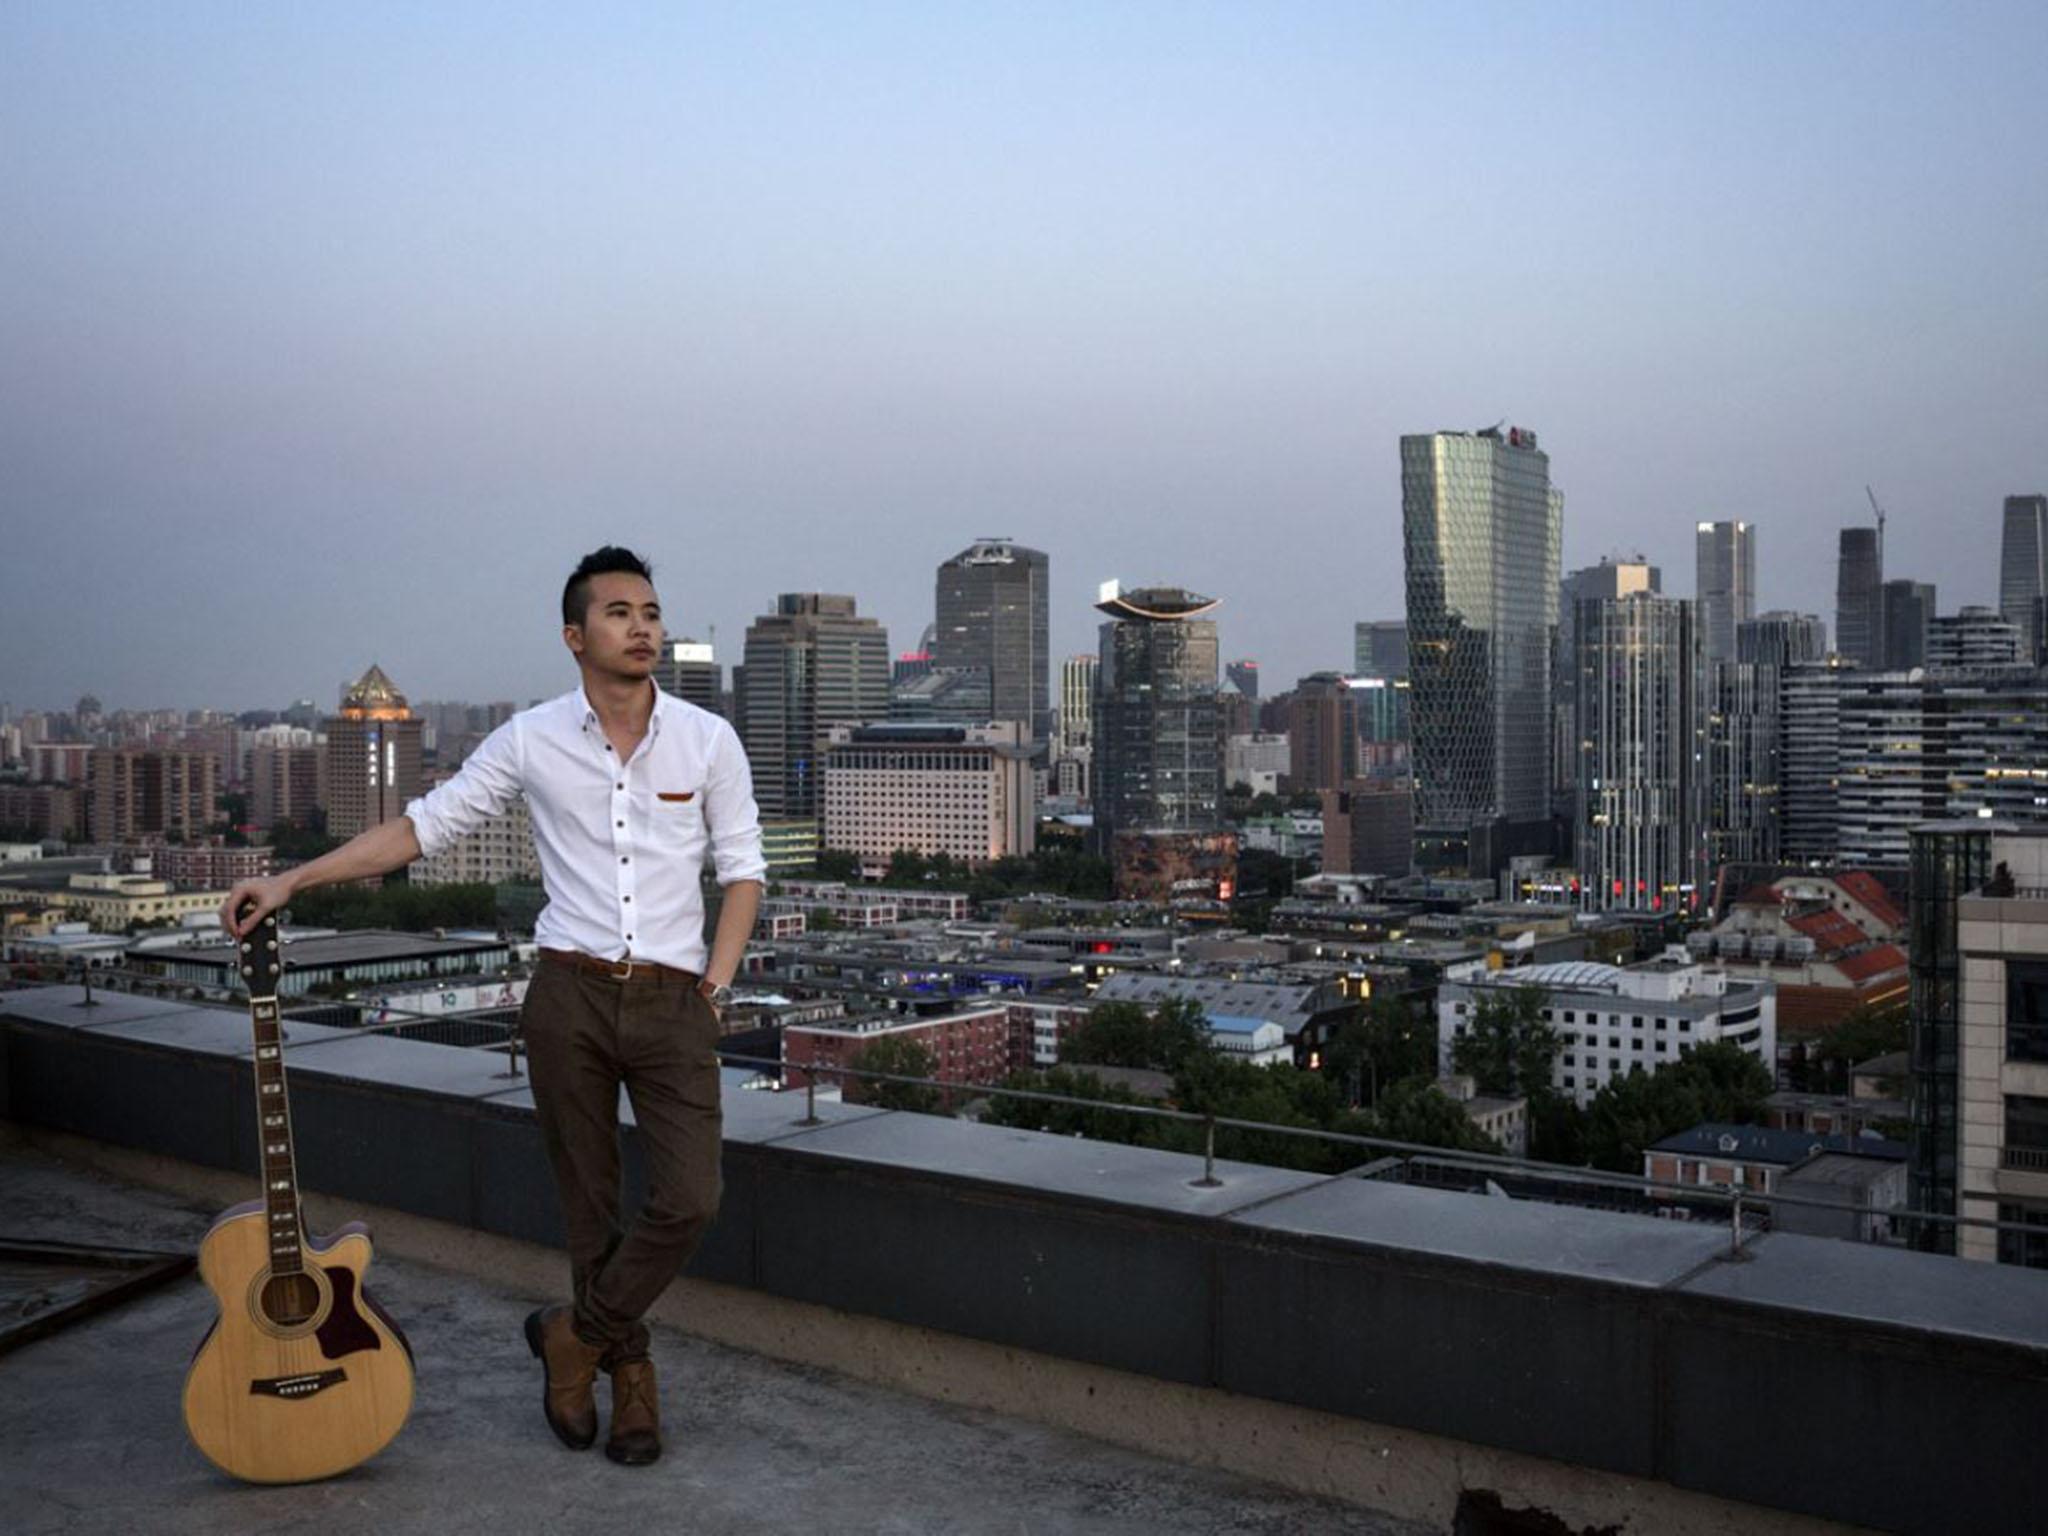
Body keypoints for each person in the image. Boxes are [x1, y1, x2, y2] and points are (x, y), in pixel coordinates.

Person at [220, 545, 765, 1467]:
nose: (644, 628)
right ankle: (630, 1379)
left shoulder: (709, 740)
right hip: (570, 996)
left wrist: (714, 987)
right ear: (575, 635)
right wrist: (294, 878)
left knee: (690, 1197)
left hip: (677, 1000)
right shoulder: (530, 738)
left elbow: (744, 871)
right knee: (590, 1207)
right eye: (620, 612)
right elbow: (422, 829)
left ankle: (572, 1335)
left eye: (652, 612)